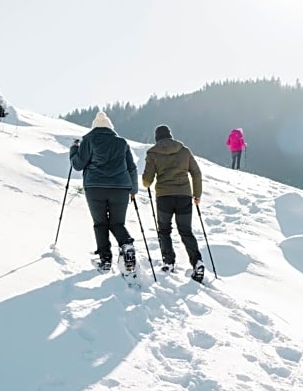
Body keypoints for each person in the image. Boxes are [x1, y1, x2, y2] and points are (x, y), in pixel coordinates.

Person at [69, 110, 139, 272]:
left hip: (95, 187)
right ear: (110, 127)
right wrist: (133, 190)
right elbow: (131, 167)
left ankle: (105, 259)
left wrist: (73, 150)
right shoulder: (122, 142)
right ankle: (127, 245)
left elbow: (78, 165)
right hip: (120, 188)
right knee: (117, 223)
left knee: (100, 223)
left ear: (95, 127)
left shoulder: (89, 140)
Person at [142, 124, 205, 282]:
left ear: (157, 138)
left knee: (164, 230)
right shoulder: (184, 150)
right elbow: (196, 173)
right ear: (170, 135)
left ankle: (168, 262)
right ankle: (197, 262)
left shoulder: (153, 153)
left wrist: (146, 180)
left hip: (164, 196)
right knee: (186, 231)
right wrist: (197, 194)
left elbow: (147, 181)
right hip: (184, 195)